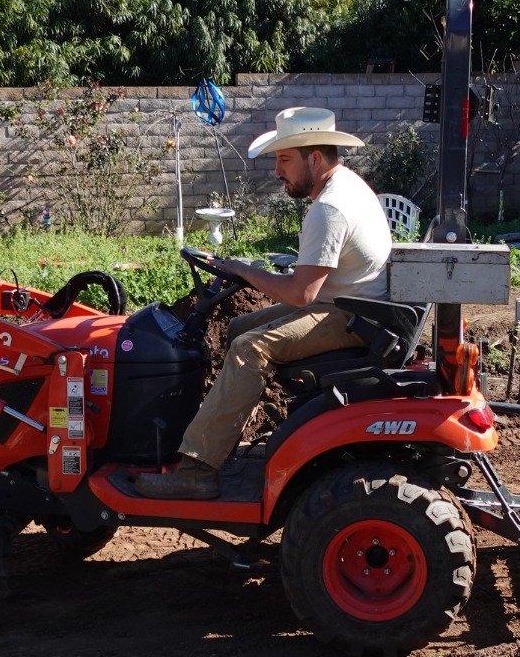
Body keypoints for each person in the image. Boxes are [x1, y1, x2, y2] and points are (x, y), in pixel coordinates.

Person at [134, 107, 393, 500]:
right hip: (351, 303)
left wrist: (246, 271)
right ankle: (218, 439)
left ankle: (199, 469)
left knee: (246, 349)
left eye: (284, 159)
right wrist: (245, 270)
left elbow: (300, 294)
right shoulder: (347, 186)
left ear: (316, 158)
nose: (277, 170)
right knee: (239, 328)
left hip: (353, 314)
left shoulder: (330, 208)